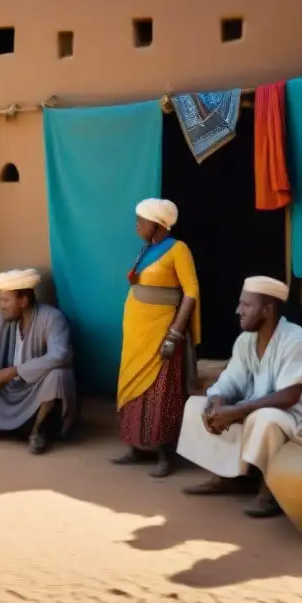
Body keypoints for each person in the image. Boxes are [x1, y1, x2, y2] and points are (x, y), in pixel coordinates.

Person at [177, 276, 302, 517]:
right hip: (267, 411)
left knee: (265, 419)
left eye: (246, 305)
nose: (238, 311)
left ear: (268, 309)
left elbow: (290, 396)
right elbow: (231, 380)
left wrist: (236, 411)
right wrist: (218, 401)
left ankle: (270, 490)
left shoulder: (296, 340)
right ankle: (230, 476)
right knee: (196, 406)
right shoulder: (246, 341)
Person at [113, 198, 201, 478]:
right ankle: (136, 447)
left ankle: (165, 453)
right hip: (136, 335)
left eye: (141, 220)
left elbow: (191, 292)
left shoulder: (178, 249)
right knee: (133, 385)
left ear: (157, 224)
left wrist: (175, 332)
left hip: (162, 333)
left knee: (161, 391)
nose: (137, 225)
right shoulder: (147, 249)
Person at [0, 269, 78, 454]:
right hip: (8, 392)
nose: (1, 306)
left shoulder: (52, 318)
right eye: (0, 300)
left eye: (5, 301)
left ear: (23, 301)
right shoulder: (2, 321)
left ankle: (38, 430)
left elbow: (60, 355)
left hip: (36, 392)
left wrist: (13, 371)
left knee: (58, 375)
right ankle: (1, 424)